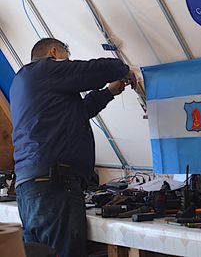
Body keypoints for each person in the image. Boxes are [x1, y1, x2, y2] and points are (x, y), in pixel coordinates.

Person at [10, 38, 136, 257]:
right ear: (54, 52)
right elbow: (91, 71)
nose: (68, 65)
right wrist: (123, 69)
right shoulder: (46, 70)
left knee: (43, 253)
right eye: (66, 60)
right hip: (54, 186)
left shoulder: (24, 82)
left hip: (31, 186)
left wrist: (109, 93)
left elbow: (79, 112)